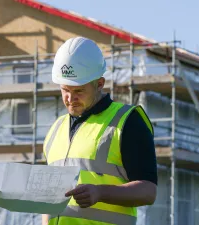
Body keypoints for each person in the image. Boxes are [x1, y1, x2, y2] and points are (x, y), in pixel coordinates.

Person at [42, 37, 157, 225]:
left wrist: (100, 192)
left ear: (100, 83)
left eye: (79, 91)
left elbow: (148, 192)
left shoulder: (128, 121)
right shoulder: (56, 129)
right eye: (65, 90)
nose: (70, 98)